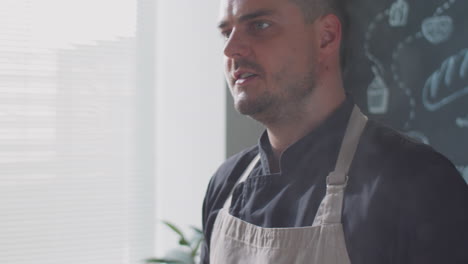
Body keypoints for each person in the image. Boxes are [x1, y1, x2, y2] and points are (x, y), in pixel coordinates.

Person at [200, 0, 468, 263]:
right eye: (226, 33)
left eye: (260, 25)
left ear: (325, 37)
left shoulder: (417, 182)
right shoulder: (225, 184)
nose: (231, 49)